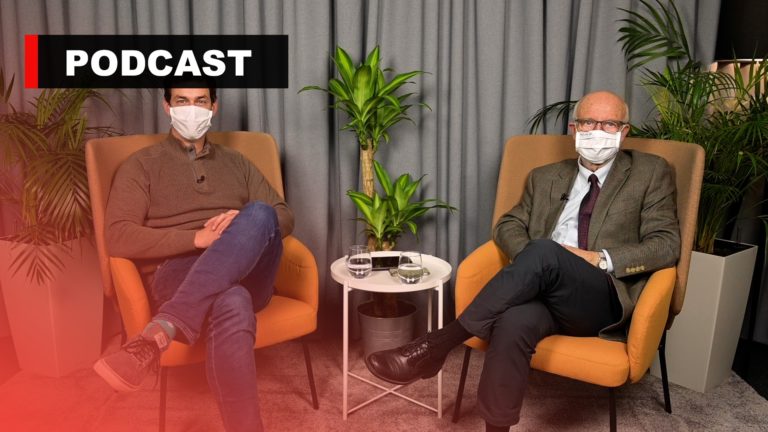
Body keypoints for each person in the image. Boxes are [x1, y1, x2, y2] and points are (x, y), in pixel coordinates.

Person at [364, 91, 680, 431]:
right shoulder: (545, 176)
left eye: (609, 124)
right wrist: (537, 263)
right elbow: (508, 224)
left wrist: (597, 259)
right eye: (589, 122)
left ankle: (438, 345)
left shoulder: (650, 173)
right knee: (513, 322)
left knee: (545, 251)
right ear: (574, 129)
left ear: (624, 131)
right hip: (542, 290)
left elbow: (667, 244)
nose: (598, 130)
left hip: (600, 298)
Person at [93, 77, 293, 432]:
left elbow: (285, 217)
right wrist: (196, 238)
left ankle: (163, 328)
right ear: (167, 107)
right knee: (232, 300)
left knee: (262, 212)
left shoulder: (237, 162)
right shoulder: (141, 166)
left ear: (214, 107)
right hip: (177, 273)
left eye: (200, 101)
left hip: (248, 271)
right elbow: (118, 237)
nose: (191, 109)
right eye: (182, 101)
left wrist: (241, 221)